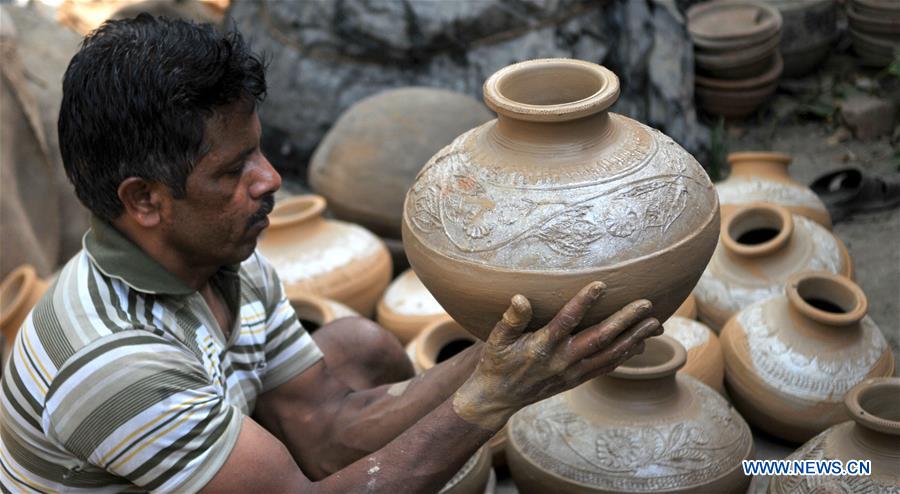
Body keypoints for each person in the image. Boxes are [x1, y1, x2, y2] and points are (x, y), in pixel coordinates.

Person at [0, 14, 662, 493]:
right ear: (144, 200)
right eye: (231, 171)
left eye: (259, 150)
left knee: (355, 345)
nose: (268, 181)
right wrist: (488, 403)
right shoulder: (115, 364)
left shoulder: (218, 259)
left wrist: (493, 367)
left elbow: (324, 431)